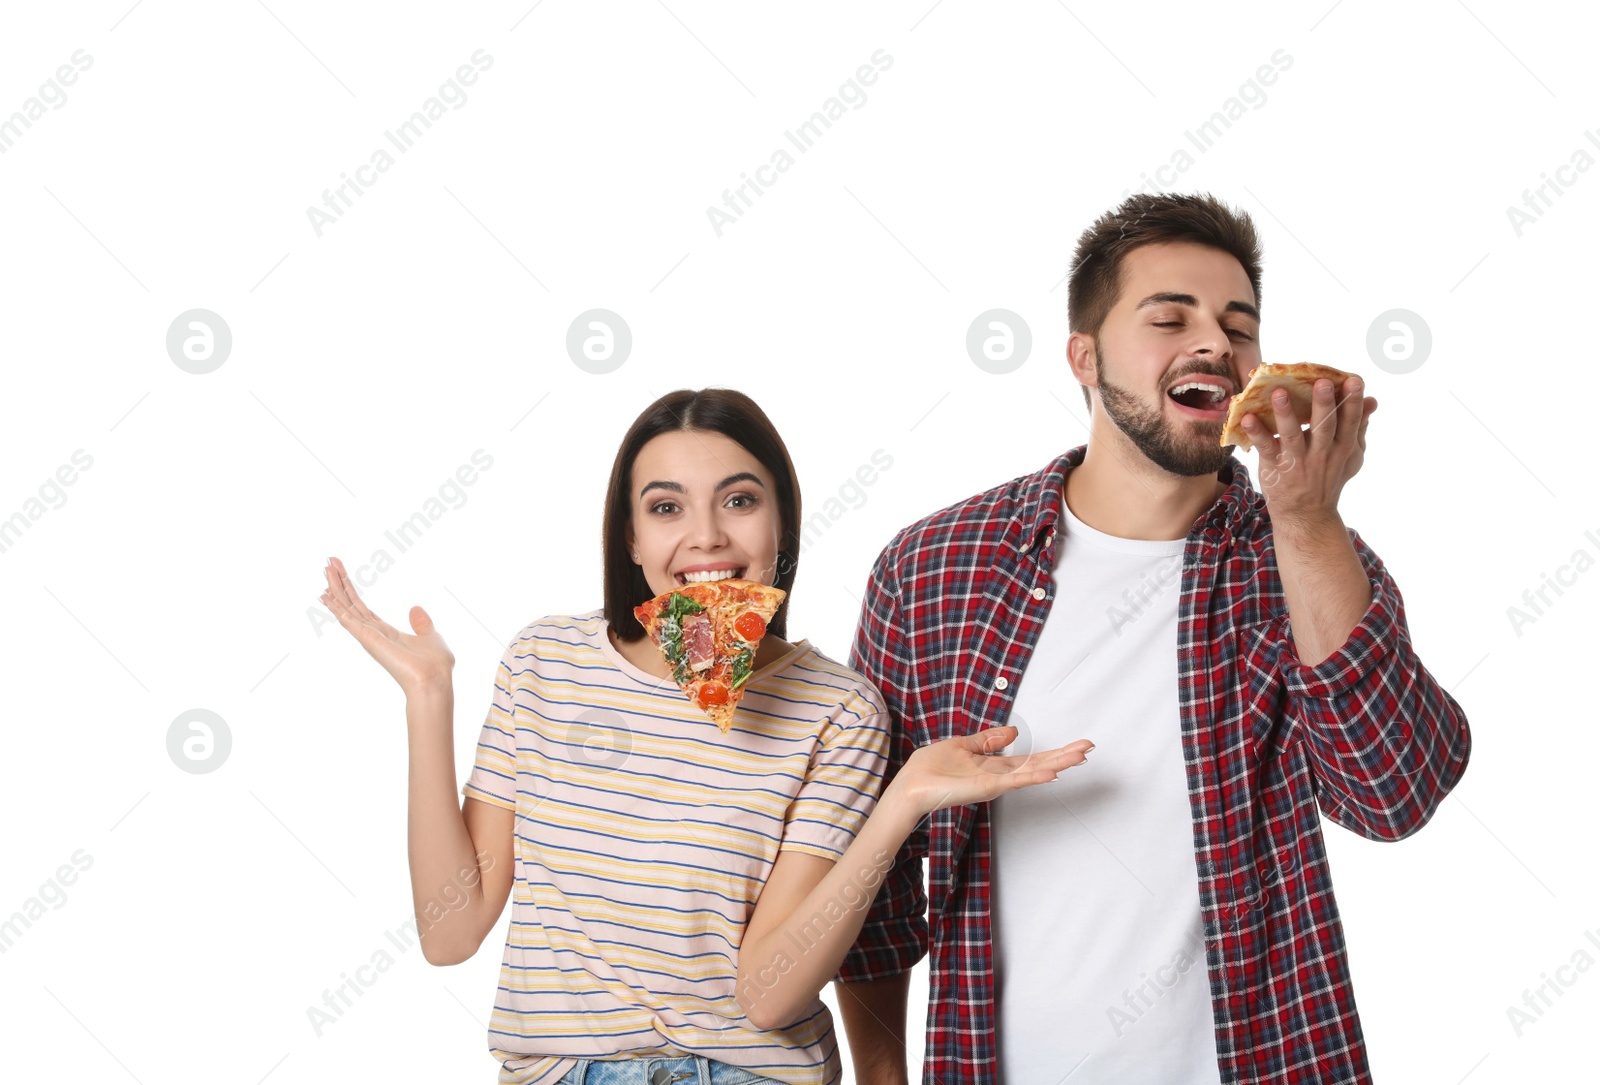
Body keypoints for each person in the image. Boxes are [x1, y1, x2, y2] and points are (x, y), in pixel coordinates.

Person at [832, 193, 1473, 1085]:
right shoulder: (935, 568)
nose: (1214, 343)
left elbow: (1393, 796)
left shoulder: (1305, 557)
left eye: (1237, 327)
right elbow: (877, 877)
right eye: (1170, 317)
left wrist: (1306, 519)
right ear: (1083, 357)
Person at [318, 387, 1091, 1085]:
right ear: (628, 537)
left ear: (782, 522)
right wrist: (428, 698)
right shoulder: (544, 660)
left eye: (740, 500)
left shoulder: (839, 709)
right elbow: (452, 932)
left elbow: (766, 994)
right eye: (666, 508)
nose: (706, 536)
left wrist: (903, 801)